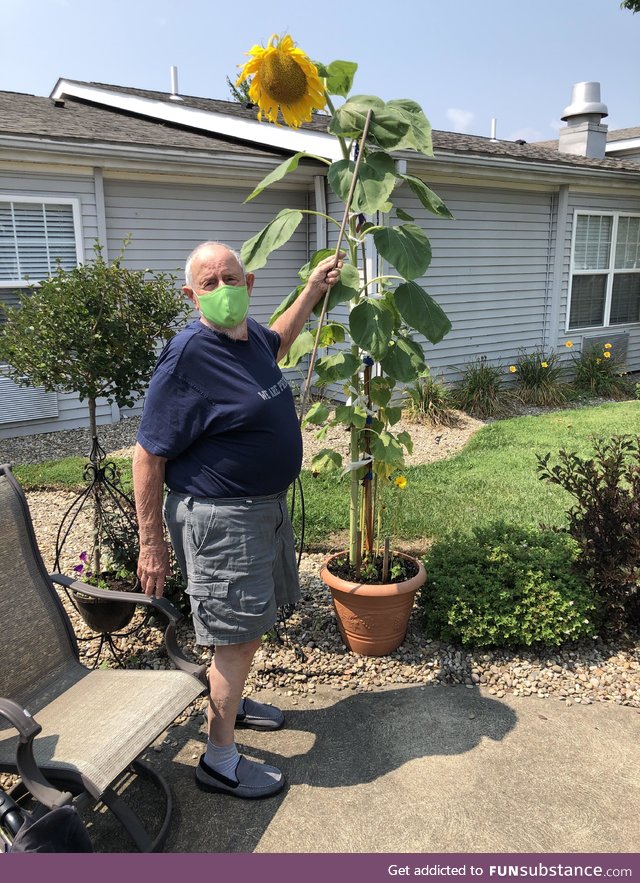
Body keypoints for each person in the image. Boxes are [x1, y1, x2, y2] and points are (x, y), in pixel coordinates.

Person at [132, 240, 343, 800]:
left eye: (231, 278)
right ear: (191, 294)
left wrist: (312, 291)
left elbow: (281, 339)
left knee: (246, 623)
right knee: (238, 633)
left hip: (261, 510)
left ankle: (233, 702)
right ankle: (218, 757)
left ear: (248, 283)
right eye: (209, 282)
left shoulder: (248, 340)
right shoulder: (188, 356)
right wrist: (150, 542)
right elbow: (148, 453)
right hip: (222, 518)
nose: (223, 289)